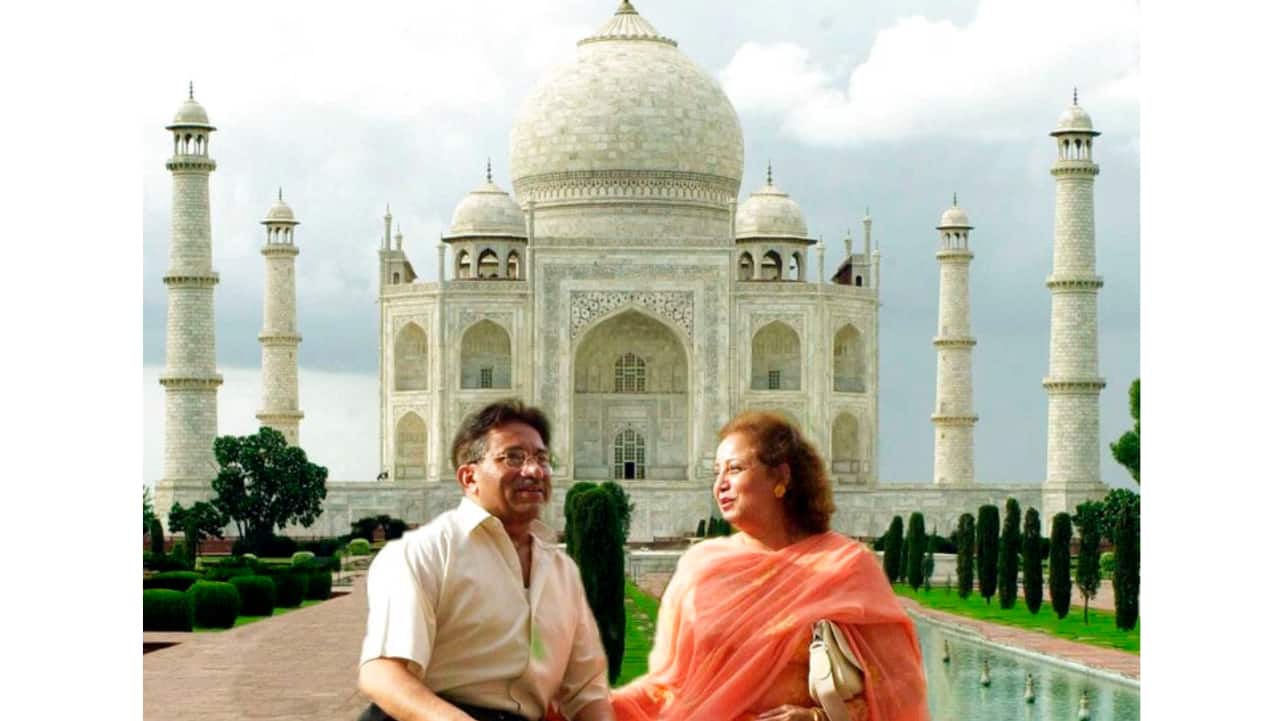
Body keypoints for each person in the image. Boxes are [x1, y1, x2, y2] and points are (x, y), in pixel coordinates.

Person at [611, 411, 929, 721]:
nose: (720, 484)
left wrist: (818, 717)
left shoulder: (845, 567)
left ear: (781, 477)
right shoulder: (702, 565)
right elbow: (670, 689)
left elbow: (898, 692)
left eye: (734, 469)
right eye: (716, 472)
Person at [358, 400, 616, 721]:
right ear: (469, 478)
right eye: (514, 457)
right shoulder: (426, 553)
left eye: (541, 458)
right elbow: (384, 673)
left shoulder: (562, 572)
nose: (534, 470)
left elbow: (585, 693)